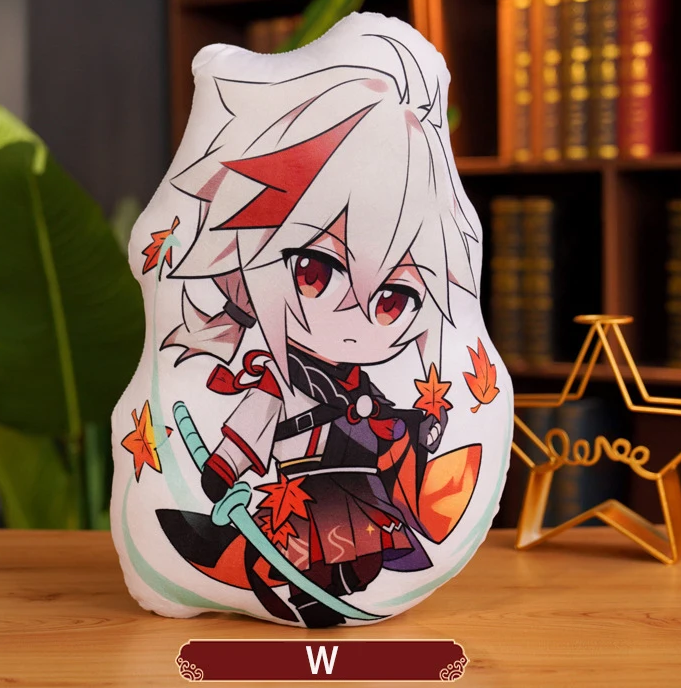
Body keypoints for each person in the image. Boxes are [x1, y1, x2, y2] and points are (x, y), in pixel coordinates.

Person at [156, 33, 483, 626]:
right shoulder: (282, 380)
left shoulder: (359, 383)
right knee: (304, 557)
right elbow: (253, 425)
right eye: (315, 271)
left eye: (393, 301)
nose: (355, 317)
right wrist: (223, 469)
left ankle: (334, 592)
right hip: (304, 493)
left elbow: (385, 423)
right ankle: (307, 595)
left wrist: (415, 428)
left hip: (359, 491)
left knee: (355, 555)